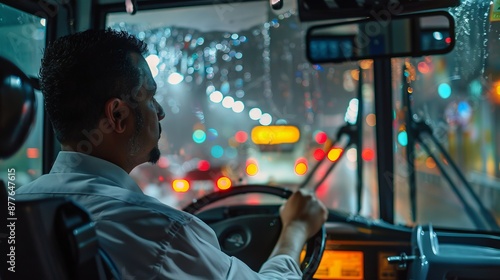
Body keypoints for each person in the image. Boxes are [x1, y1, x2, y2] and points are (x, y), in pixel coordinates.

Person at [17, 29, 328, 279]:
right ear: (118, 116)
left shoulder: (18, 212)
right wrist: (297, 229)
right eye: (150, 98)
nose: (161, 112)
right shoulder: (161, 232)